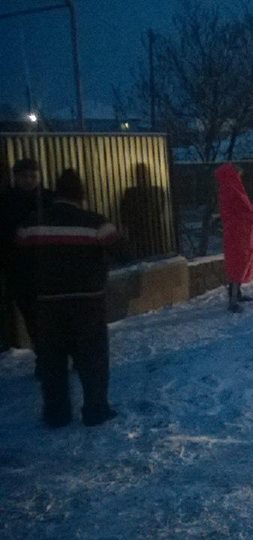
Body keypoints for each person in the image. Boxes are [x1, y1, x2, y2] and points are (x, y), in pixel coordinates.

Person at [17, 169, 130, 428]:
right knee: (92, 358)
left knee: (52, 360)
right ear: (81, 194)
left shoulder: (34, 223)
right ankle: (95, 409)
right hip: (87, 301)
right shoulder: (95, 222)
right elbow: (123, 252)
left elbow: (20, 256)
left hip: (47, 302)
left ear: (56, 192)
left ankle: (56, 414)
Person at [0, 158, 54, 360]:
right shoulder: (6, 202)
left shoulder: (49, 198)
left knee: (51, 317)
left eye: (33, 175)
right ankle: (44, 357)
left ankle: (54, 355)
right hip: (20, 270)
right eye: (24, 176)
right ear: (16, 177)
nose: (29, 180)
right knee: (33, 318)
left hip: (48, 268)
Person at [215, 163, 253, 313]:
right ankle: (233, 299)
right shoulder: (231, 190)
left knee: (240, 263)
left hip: (240, 233)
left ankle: (237, 294)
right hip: (238, 234)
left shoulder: (230, 189)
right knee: (238, 264)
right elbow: (238, 213)